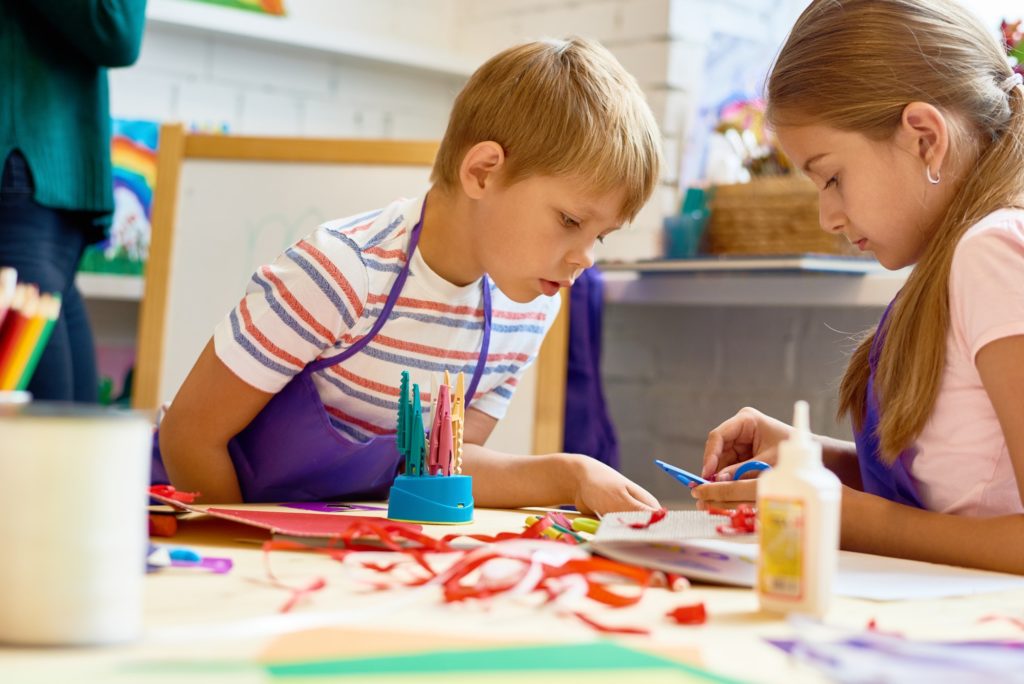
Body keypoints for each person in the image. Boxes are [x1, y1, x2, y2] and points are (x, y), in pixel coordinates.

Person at [155, 38, 662, 515]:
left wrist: (571, 475)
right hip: (203, 528)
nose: (586, 257)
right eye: (571, 221)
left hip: (329, 553)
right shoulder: (340, 272)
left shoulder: (528, 311)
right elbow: (190, 437)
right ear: (483, 172)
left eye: (603, 235)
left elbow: (441, 469)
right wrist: (245, 549)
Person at [694, 0, 1024, 575]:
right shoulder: (955, 264)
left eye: (832, 178)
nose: (828, 217)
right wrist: (811, 461)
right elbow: (969, 492)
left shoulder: (991, 254)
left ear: (924, 137)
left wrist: (852, 519)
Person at [0, 0, 147, 402]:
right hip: (24, 169)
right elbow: (114, 26)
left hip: (45, 179)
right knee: (47, 440)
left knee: (72, 436)